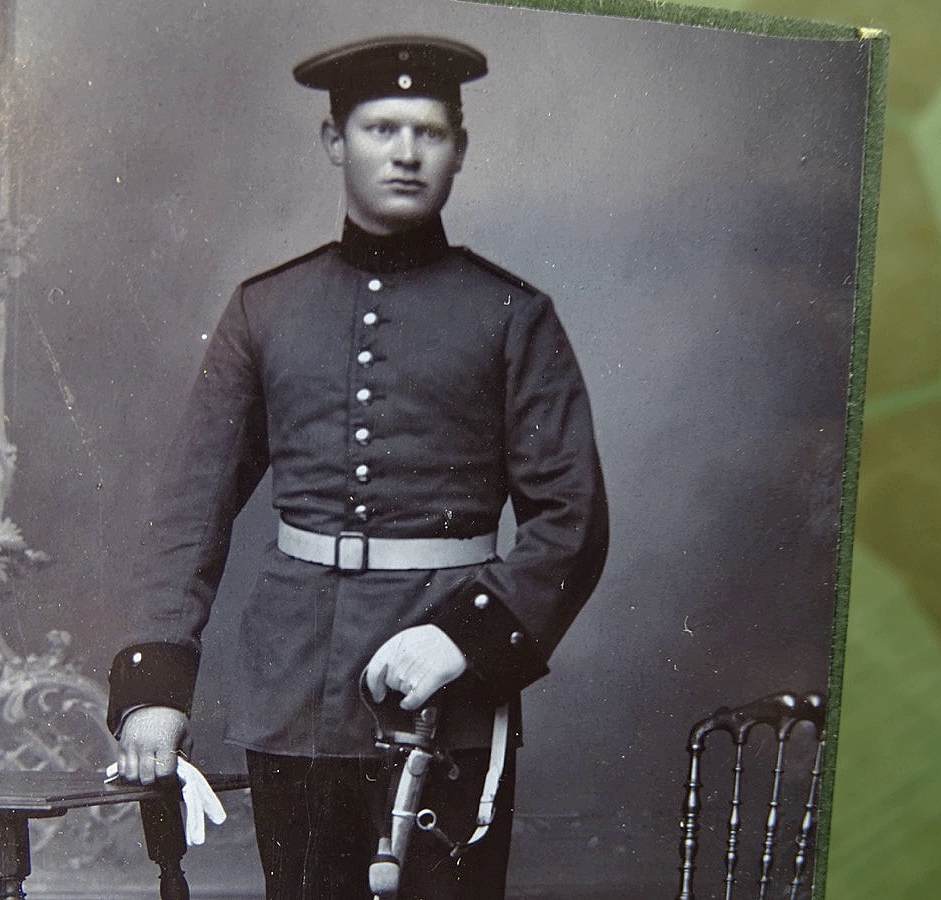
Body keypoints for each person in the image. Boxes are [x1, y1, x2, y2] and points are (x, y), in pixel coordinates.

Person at [106, 35, 609, 899]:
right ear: (335, 139)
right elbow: (191, 508)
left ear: (460, 147)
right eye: (381, 128)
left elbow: (574, 521)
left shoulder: (512, 315)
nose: (406, 152)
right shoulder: (267, 309)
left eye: (429, 131)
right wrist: (155, 682)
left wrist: (461, 639)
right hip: (294, 689)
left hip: (447, 698)